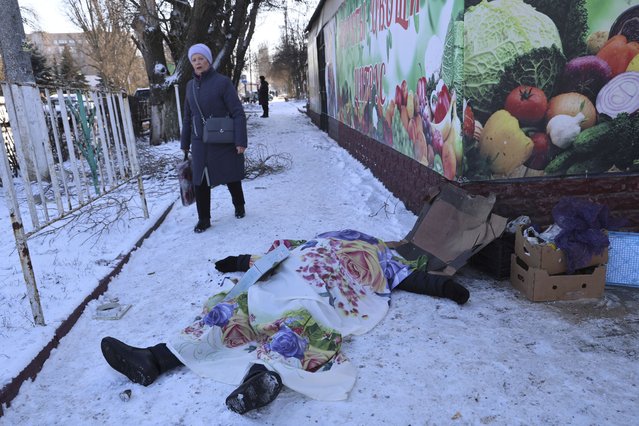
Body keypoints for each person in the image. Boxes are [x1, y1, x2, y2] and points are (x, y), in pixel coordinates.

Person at [100, 229, 469, 415]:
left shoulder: (383, 255)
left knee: (300, 325)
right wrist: (237, 261)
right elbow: (272, 256)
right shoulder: (313, 241)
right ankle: (155, 358)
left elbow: (417, 279)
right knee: (228, 310)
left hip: (321, 293)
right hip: (279, 281)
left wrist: (449, 288)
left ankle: (260, 377)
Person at [180, 43, 248, 233]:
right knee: (200, 180)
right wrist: (184, 143)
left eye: (201, 59)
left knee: (231, 175)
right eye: (194, 60)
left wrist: (241, 141)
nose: (197, 62)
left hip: (222, 137)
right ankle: (204, 219)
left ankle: (239, 205)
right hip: (199, 141)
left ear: (208, 60)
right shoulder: (190, 86)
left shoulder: (222, 82)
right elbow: (187, 116)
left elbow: (237, 113)